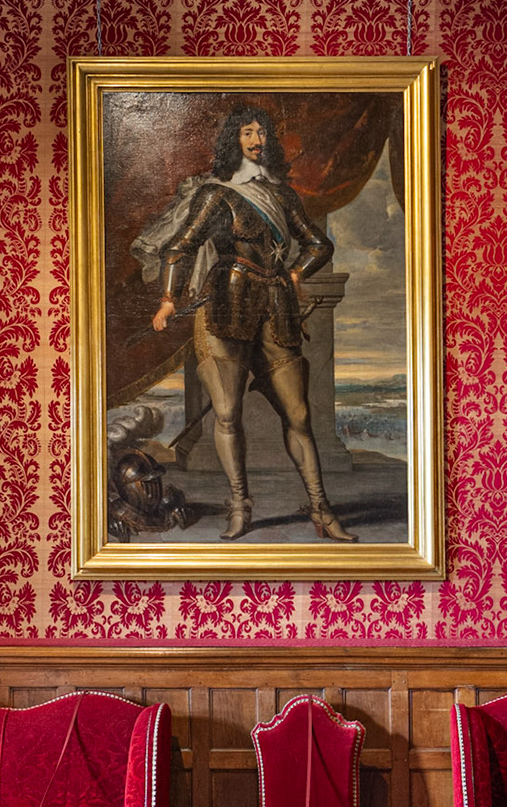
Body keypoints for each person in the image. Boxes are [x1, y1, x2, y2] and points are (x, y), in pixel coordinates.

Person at [141, 106, 356, 542]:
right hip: (225, 304)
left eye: (261, 133)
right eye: (246, 133)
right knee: (227, 413)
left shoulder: (281, 194)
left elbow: (319, 243)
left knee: (298, 414)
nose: (256, 140)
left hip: (275, 306)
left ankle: (320, 508)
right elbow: (181, 248)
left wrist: (296, 274)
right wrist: (168, 300)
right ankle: (240, 506)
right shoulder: (216, 194)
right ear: (233, 141)